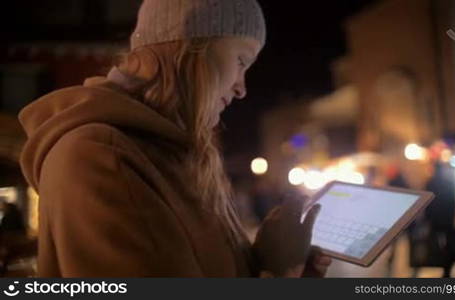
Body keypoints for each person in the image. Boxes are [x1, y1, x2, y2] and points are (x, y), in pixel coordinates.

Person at [18, 0, 330, 277]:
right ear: (190, 46)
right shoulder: (100, 157)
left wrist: (273, 261)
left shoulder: (175, 153)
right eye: (240, 61)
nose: (241, 88)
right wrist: (278, 273)